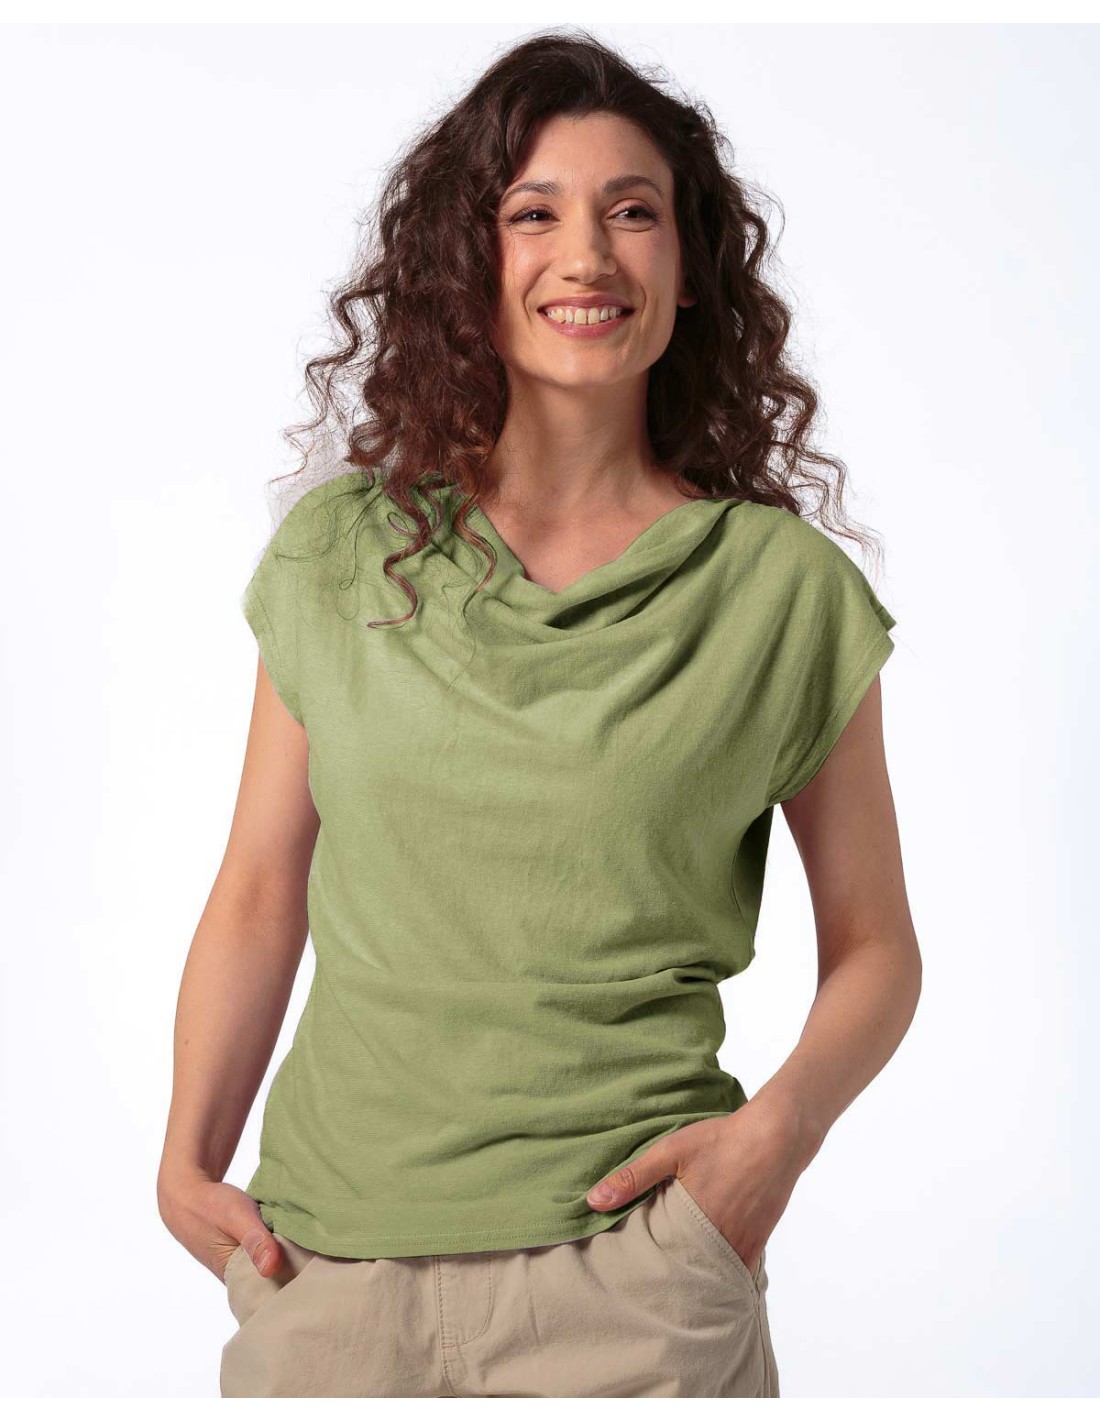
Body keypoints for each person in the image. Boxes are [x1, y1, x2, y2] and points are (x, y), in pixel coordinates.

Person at [157, 29, 921, 1399]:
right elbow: (261, 886)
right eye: (533, 214)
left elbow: (876, 948)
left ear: (690, 266)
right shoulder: (341, 553)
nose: (587, 256)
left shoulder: (780, 592)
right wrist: (184, 1153)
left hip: (636, 1279)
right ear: (468, 260)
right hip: (329, 1275)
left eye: (634, 212)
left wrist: (772, 1142)